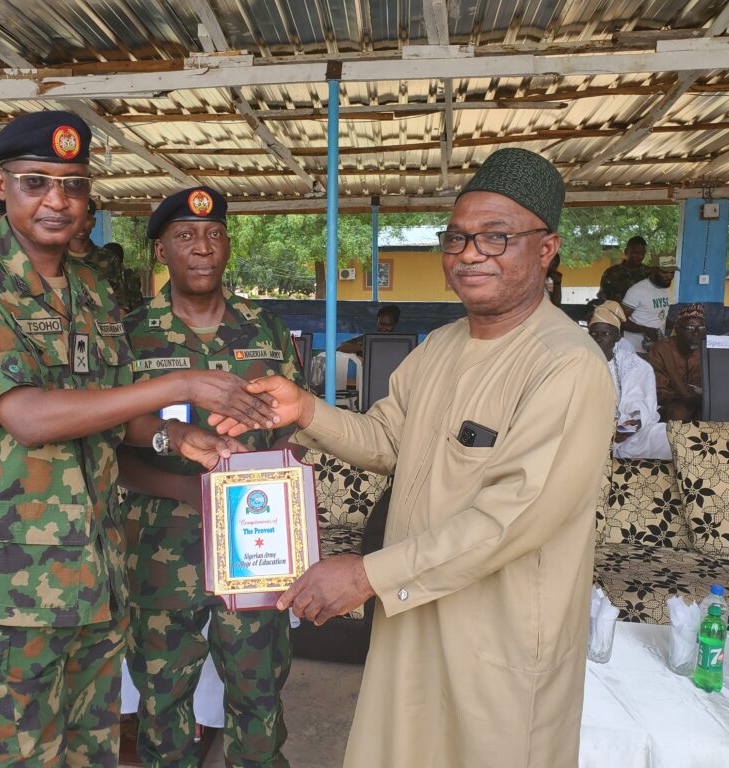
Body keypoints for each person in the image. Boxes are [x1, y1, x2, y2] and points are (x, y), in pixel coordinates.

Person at [213, 147, 615, 768]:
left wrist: (366, 576)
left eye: (497, 237)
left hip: (495, 641)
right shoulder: (440, 346)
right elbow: (387, 439)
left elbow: (508, 521)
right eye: (457, 238)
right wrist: (306, 409)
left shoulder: (566, 365)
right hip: (412, 620)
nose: (471, 253)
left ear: (547, 248)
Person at [0, 110, 275, 768]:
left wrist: (174, 437)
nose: (56, 200)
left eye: (73, 185)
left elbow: (107, 412)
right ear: (2, 185)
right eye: (36, 182)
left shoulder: (92, 289)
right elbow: (27, 415)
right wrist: (179, 385)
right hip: (4, 589)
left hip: (98, 580)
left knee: (94, 755)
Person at [120, 186, 304, 768]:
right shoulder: (128, 335)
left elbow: (295, 428)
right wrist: (188, 489)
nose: (203, 248)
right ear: (161, 251)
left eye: (214, 234)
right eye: (185, 236)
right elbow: (105, 447)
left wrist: (276, 484)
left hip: (254, 548)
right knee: (162, 704)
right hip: (157, 550)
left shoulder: (266, 329)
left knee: (259, 695)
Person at [588, 301, 671, 460]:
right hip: (590, 432)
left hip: (632, 434)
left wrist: (625, 430)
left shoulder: (635, 365)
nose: (598, 339)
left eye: (606, 334)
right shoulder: (579, 362)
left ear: (618, 337)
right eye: (594, 333)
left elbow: (643, 406)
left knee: (668, 438)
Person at [646, 303, 705, 422]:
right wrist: (685, 400)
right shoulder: (662, 349)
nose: (696, 333)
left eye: (701, 329)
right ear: (677, 329)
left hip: (703, 403)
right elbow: (659, 390)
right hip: (672, 405)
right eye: (690, 328)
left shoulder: (707, 349)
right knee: (678, 413)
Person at [620, 254, 677, 354]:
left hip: (655, 350)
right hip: (634, 351)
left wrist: (676, 325)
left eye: (672, 272)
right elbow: (620, 320)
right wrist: (646, 330)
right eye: (665, 272)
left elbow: (658, 316)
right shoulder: (637, 290)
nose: (670, 276)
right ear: (653, 270)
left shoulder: (665, 288)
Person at [598, 235, 648, 302]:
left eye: (643, 253)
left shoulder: (649, 274)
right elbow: (603, 298)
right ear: (626, 251)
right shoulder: (611, 273)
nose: (640, 256)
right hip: (616, 308)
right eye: (636, 253)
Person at [337, 304, 401, 354]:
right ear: (377, 322)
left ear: (395, 324)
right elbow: (341, 347)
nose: (383, 328)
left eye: (388, 325)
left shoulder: (401, 342)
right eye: (381, 324)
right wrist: (364, 348)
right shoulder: (367, 339)